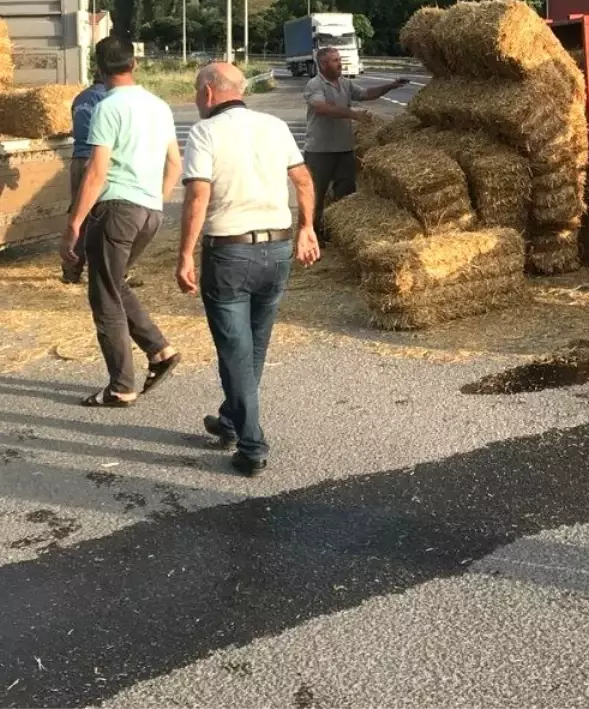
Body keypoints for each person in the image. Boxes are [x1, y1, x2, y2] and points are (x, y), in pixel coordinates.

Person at [176, 62, 320, 477]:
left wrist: (185, 253)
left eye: (194, 91)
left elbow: (197, 198)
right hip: (276, 249)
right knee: (253, 347)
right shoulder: (274, 126)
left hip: (229, 254)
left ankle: (252, 443)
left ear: (207, 93)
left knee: (235, 351)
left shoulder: (204, 133)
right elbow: (304, 179)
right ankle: (229, 418)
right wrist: (307, 228)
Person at [60, 37, 182, 407]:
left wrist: (74, 224)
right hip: (149, 210)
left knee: (104, 296)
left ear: (99, 68)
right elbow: (175, 163)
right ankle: (159, 350)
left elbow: (96, 172)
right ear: (135, 64)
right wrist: (154, 200)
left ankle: (121, 386)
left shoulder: (107, 106)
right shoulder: (160, 106)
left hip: (116, 209)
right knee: (115, 283)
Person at [303, 47, 407, 236]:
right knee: (315, 196)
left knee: (346, 195)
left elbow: (366, 94)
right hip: (320, 151)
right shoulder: (314, 85)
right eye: (335, 60)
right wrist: (353, 114)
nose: (340, 63)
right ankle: (314, 237)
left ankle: (339, 235)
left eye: (339, 59)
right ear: (323, 64)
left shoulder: (344, 83)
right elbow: (322, 108)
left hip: (344, 149)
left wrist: (390, 86)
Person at [61, 41, 112, 284]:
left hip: (77, 159)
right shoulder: (108, 99)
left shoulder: (79, 98)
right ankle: (112, 271)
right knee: (103, 215)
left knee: (78, 213)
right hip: (96, 160)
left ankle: (71, 269)